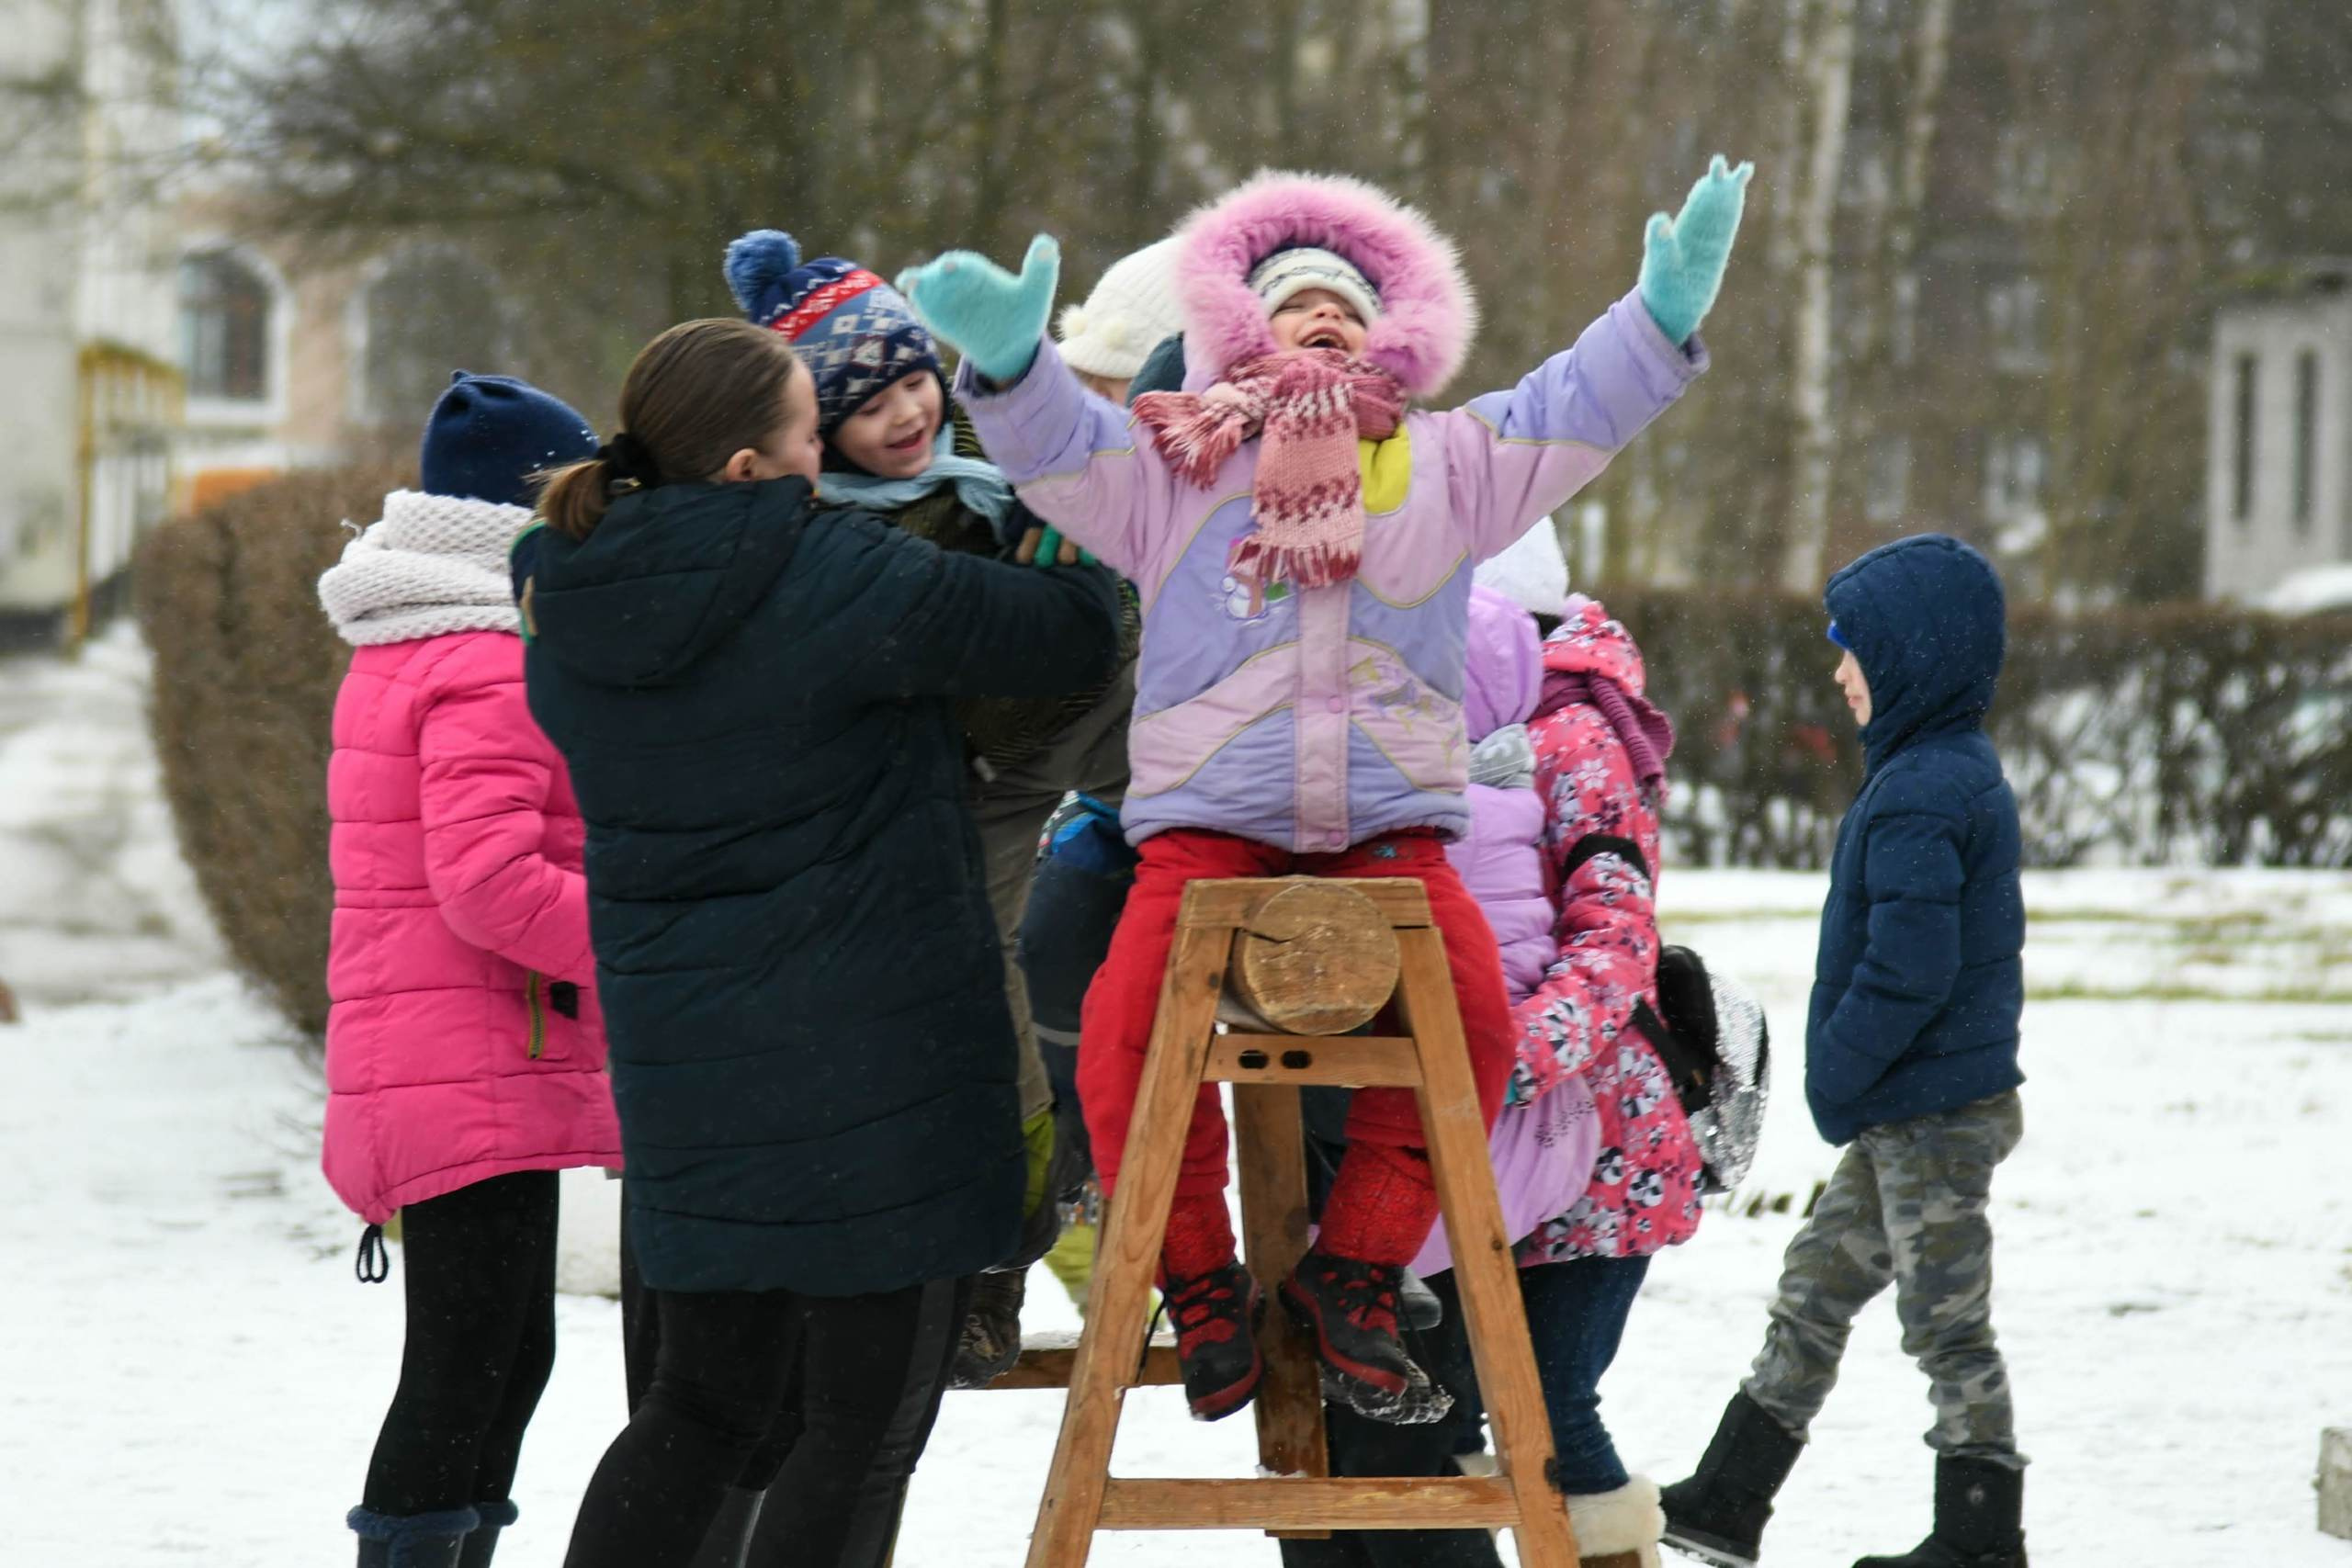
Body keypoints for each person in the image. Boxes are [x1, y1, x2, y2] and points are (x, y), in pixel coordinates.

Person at [902, 156, 1748, 1424]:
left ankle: (1351, 1270)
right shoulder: (1173, 462)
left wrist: (1658, 318)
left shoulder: (1447, 465)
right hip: (1209, 830)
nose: (1327, 315)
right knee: (1130, 1033)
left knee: (1469, 1022)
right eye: (1300, 297)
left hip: (1387, 833)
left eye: (1352, 304)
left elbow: (1572, 407)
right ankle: (1195, 1274)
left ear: (1395, 333)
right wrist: (1014, 367)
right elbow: (1058, 454)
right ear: (1236, 325)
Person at [514, 318, 1123, 1568]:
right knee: (859, 1429)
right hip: (878, 1081)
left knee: (699, 1408)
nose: (825, 455)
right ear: (745, 466)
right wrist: (1052, 518)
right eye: (807, 428)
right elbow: (1068, 631)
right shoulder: (836, 573)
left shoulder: (571, 603)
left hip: (695, 1082)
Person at [1288, 530, 1705, 1568]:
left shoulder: (1567, 734)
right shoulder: (1446, 730)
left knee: (1546, 1413)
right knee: (1482, 1418)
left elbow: (1614, 936)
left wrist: (1492, 1055)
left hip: (1590, 1139)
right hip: (1481, 1132)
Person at [1661, 534, 2027, 1568]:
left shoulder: (1923, 790)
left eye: (1851, 650)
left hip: (1932, 1112)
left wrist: (1839, 1073)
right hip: (1913, 1106)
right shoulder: (1931, 772)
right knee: (1816, 1285)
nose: (1836, 671)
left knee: (1947, 1321)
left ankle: (1979, 1535)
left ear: (1909, 656)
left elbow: (1910, 969)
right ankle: (1729, 1498)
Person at [318, 372, 620, 1568]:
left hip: (468, 1045)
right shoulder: (485, 651)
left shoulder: (437, 632)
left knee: (495, 1355)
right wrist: (640, 940)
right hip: (468, 1049)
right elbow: (489, 883)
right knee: (468, 1362)